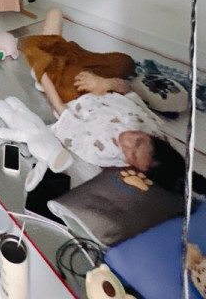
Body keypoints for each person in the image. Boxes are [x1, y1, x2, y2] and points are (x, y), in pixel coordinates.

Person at [19, 10, 205, 193]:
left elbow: (60, 109)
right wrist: (104, 83)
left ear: (137, 169)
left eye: (131, 154)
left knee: (39, 42)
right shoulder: (152, 130)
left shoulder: (98, 152)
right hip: (101, 82)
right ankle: (60, 53)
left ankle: (52, 56)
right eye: (138, 140)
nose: (127, 141)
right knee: (125, 63)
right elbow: (128, 89)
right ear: (156, 138)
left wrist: (43, 75)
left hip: (75, 93)